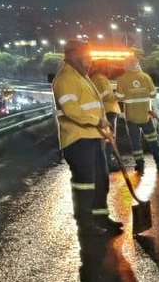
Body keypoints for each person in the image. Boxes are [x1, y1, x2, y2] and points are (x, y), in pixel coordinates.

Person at [50, 39, 122, 238]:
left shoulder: (82, 77)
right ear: (73, 56)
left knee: (101, 180)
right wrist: (97, 121)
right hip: (77, 140)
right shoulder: (66, 78)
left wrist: (103, 131)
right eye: (86, 57)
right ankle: (86, 224)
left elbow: (96, 106)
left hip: (92, 137)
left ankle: (101, 218)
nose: (90, 61)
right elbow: (71, 110)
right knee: (85, 183)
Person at [116, 57, 159, 174]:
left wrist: (129, 94)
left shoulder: (122, 79)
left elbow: (119, 96)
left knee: (135, 142)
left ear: (126, 65)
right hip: (146, 115)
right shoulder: (145, 77)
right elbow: (153, 94)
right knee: (152, 140)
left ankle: (140, 164)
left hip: (131, 117)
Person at [90, 61, 123, 171]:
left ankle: (107, 160)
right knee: (109, 136)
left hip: (107, 110)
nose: (111, 69)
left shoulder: (99, 78)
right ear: (103, 67)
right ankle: (108, 163)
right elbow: (107, 96)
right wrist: (120, 95)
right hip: (108, 110)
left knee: (108, 136)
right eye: (109, 67)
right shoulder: (99, 79)